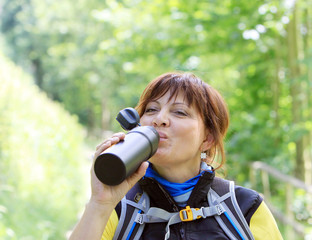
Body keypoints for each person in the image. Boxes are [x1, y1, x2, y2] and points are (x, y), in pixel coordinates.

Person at [69, 72, 283, 240]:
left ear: (207, 139)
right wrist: (99, 203)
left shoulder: (244, 208)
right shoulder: (120, 208)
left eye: (179, 112)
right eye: (151, 110)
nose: (159, 119)